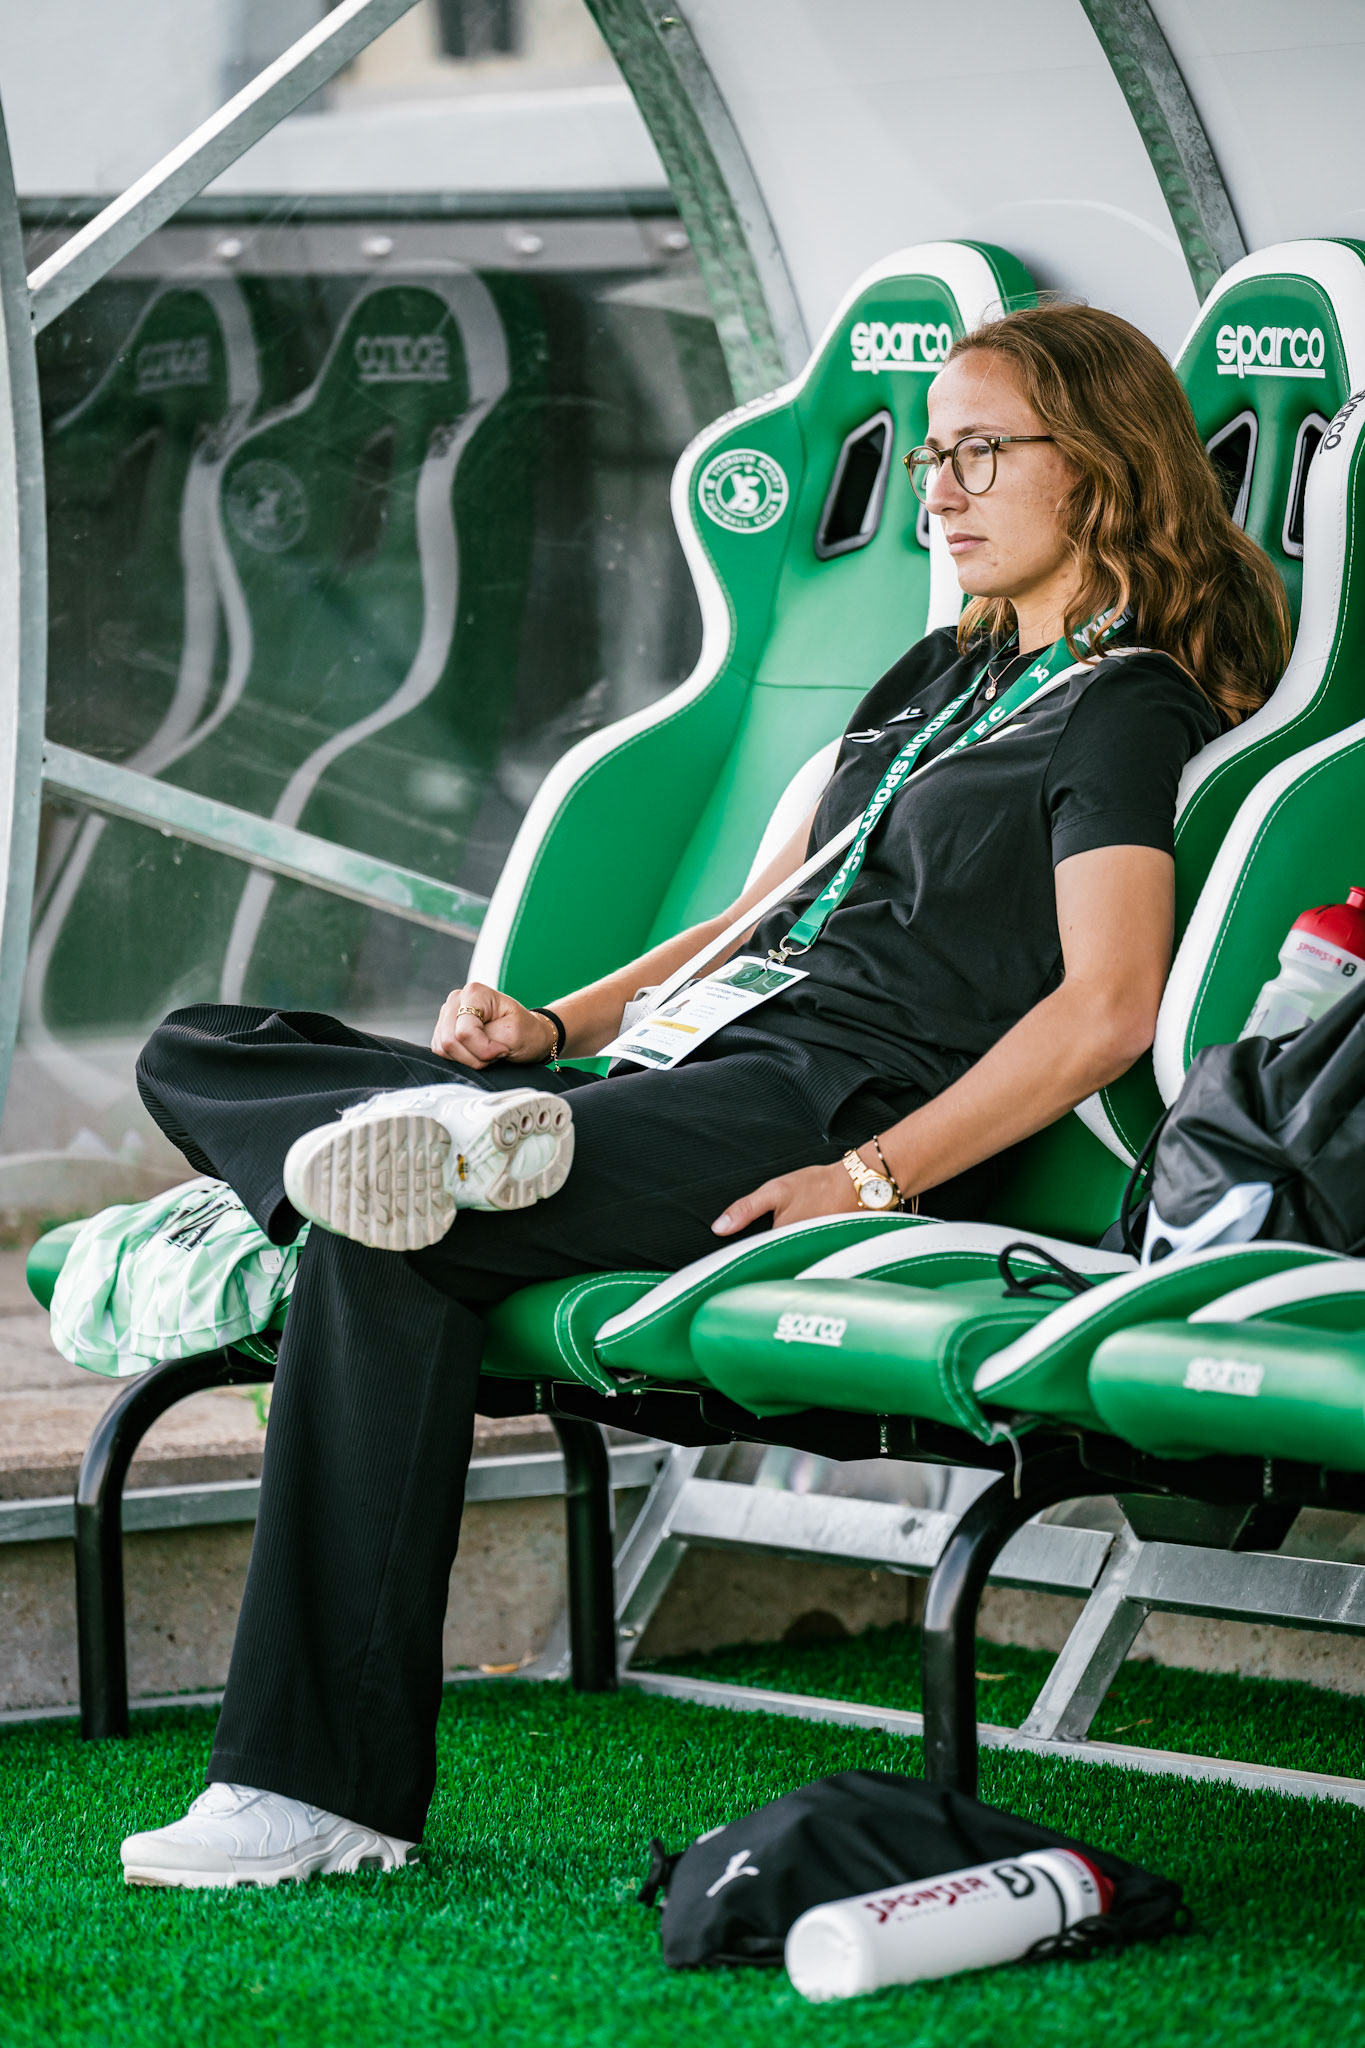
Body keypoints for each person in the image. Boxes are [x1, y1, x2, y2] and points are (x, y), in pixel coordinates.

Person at [120, 304, 1289, 1887]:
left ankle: (310, 1792)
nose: (936, 488)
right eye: (929, 454)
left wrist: (870, 1178)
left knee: (381, 1240)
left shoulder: (1123, 704)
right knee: (201, 1040)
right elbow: (752, 917)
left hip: (812, 1101)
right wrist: (550, 1024)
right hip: (673, 1062)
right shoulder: (941, 668)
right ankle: (458, 1140)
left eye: (976, 452)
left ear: (1095, 470)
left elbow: (1104, 1005)